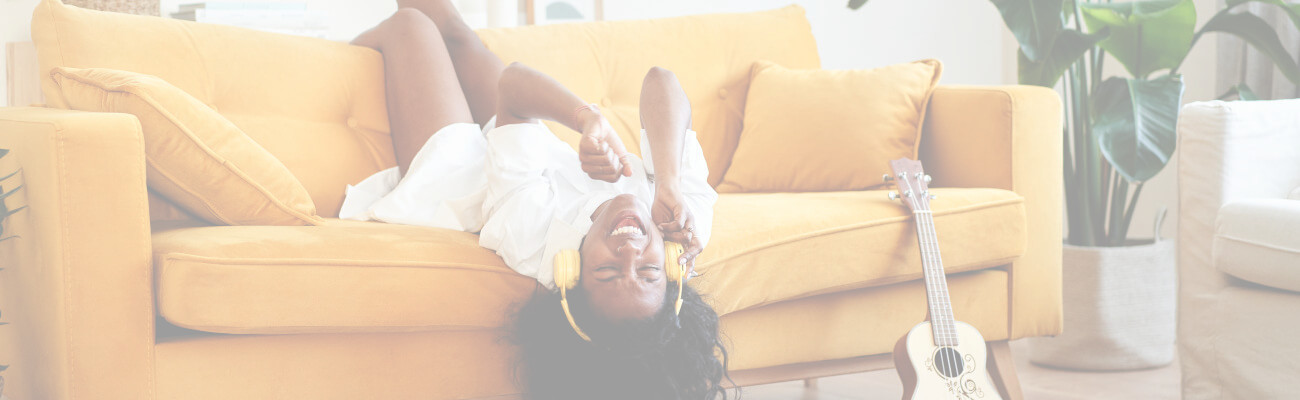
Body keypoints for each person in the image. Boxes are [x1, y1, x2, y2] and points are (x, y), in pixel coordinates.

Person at [340, 2, 733, 399]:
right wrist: (669, 180)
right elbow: (662, 81)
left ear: (571, 271)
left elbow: (512, 87)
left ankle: (321, 61)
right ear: (670, 268)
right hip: (530, 157)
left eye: (609, 272)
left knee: (412, 26)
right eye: (649, 273)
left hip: (460, 175)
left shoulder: (532, 237)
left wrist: (585, 118)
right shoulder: (683, 228)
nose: (629, 252)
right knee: (458, 35)